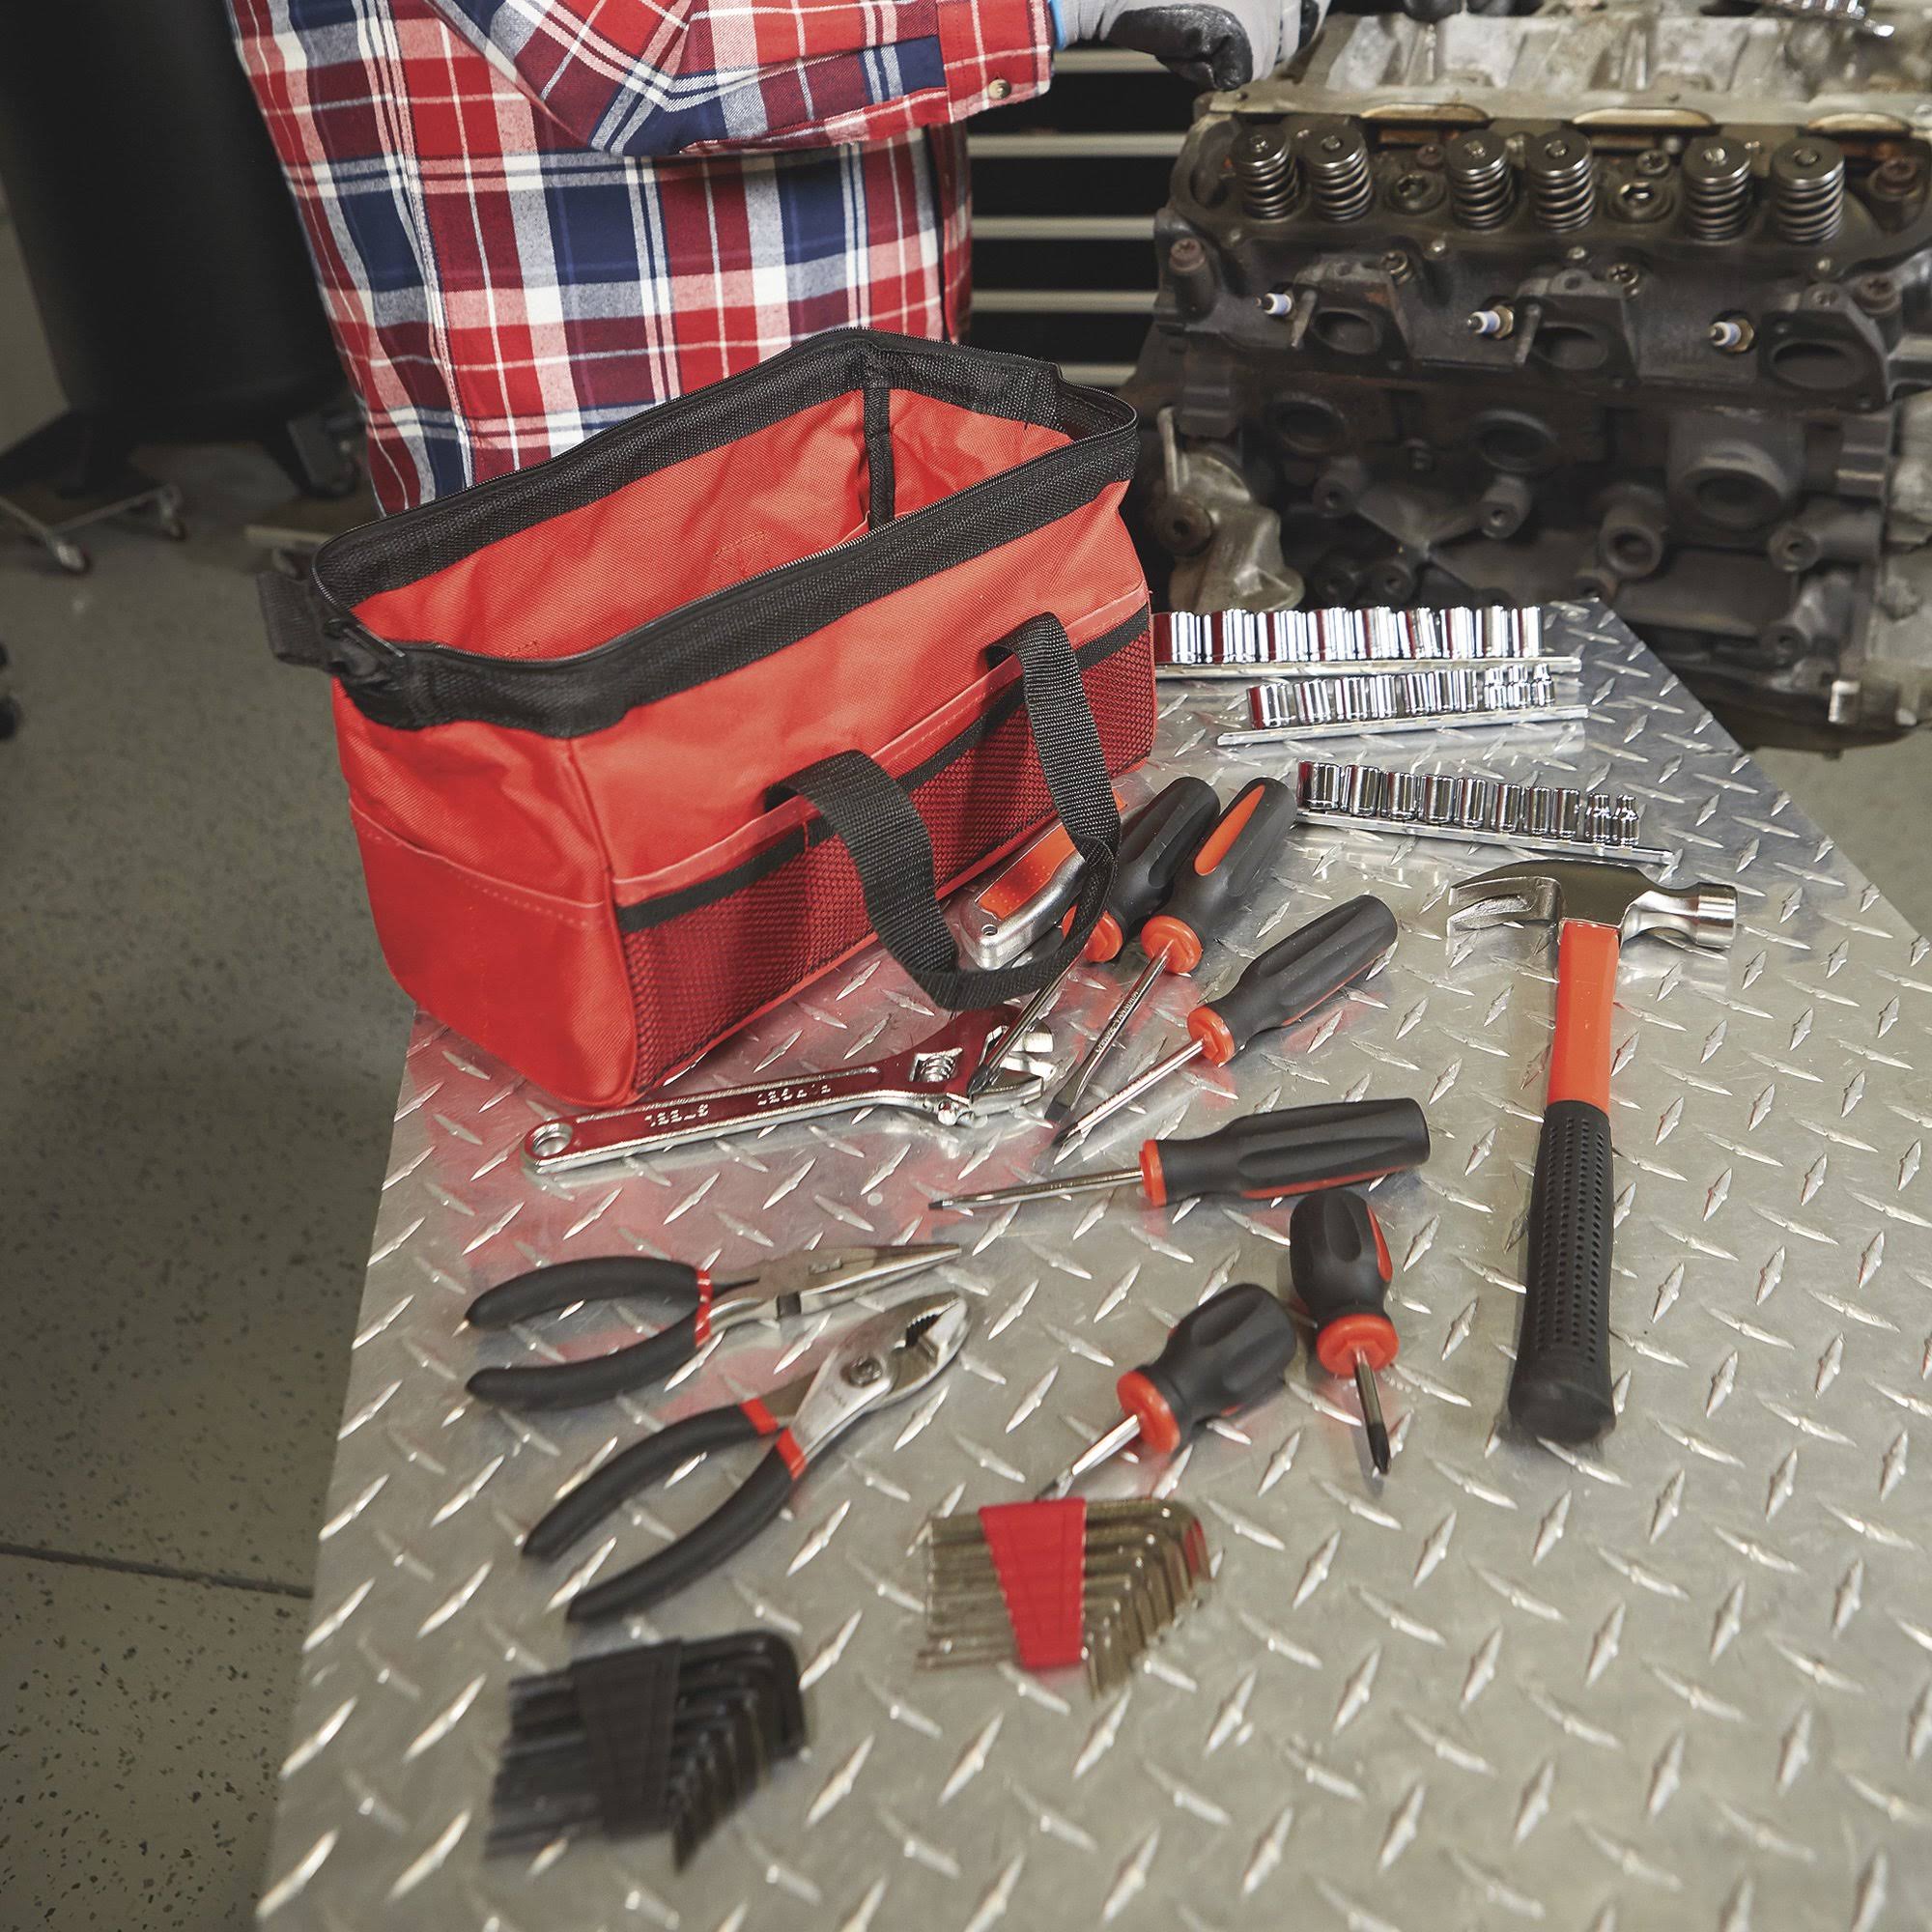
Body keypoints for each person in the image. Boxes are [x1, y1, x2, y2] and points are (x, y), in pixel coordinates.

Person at [229, 0, 1325, 513]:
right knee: (676, 895)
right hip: (611, 535)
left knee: (888, 877)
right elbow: (653, 55)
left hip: (861, 458)